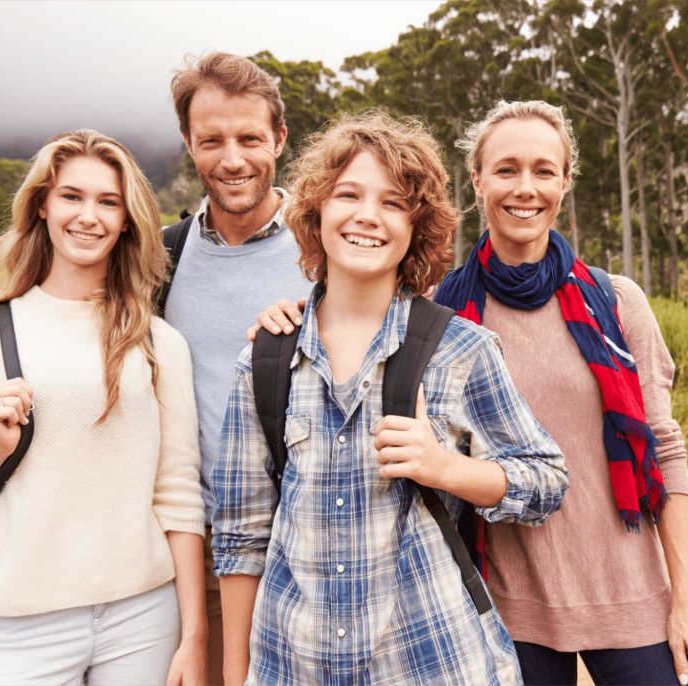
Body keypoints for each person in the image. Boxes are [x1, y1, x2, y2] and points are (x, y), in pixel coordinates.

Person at [253, 101, 688, 686]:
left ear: (564, 182)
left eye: (543, 171)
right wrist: (298, 316)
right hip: (508, 608)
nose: (524, 188)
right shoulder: (442, 315)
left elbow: (664, 450)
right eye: (506, 170)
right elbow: (358, 309)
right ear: (476, 180)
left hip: (631, 598)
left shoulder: (616, 303)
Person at [0, 51, 315, 683]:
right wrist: (1, 302)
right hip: (184, 559)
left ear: (280, 138)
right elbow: (79, 300)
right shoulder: (164, 262)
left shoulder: (326, 252)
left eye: (250, 138)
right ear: (188, 143)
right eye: (212, 140)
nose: (232, 159)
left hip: (307, 554)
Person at [211, 111, 569, 686]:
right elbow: (240, 536)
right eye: (347, 194)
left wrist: (446, 468)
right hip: (292, 663)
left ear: (416, 226)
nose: (366, 216)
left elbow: (546, 480)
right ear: (315, 212)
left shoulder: (461, 349)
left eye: (394, 203)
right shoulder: (264, 359)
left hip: (429, 660)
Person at [0, 130, 207, 684]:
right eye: (72, 196)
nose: (88, 216)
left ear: (126, 220)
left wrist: (194, 638)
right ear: (42, 203)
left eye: (108, 201)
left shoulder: (158, 342)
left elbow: (178, 497)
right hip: (24, 623)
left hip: (144, 616)